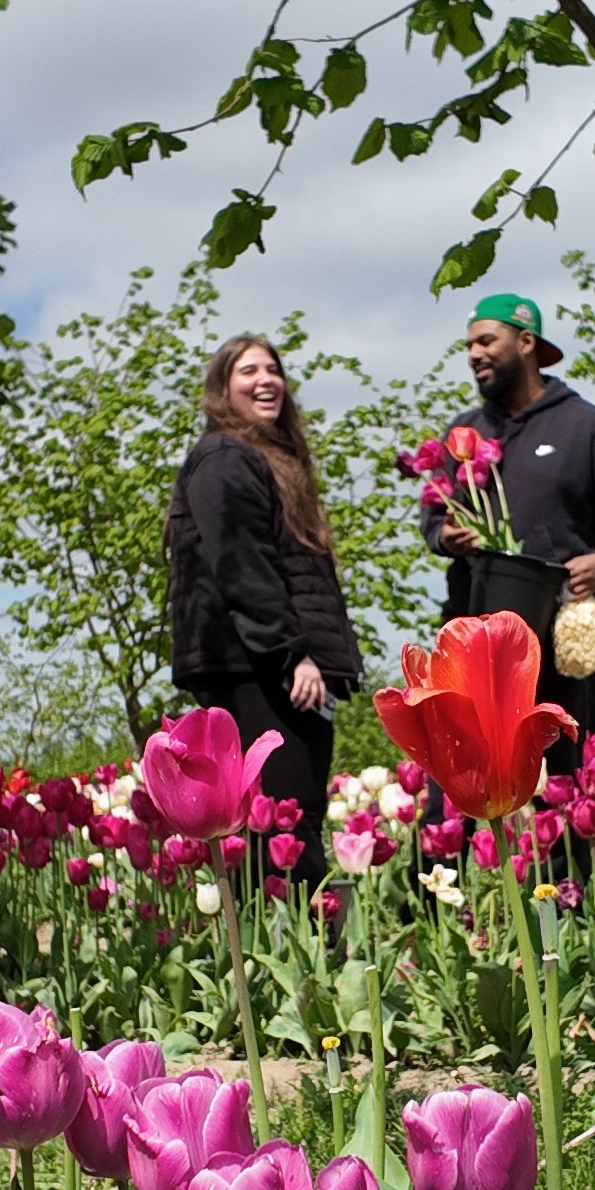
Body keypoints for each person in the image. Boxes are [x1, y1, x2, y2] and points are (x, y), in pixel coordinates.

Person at [421, 291, 595, 770]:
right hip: (473, 632)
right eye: (469, 345)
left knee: (568, 783)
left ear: (526, 341)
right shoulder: (465, 432)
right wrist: (445, 537)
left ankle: (564, 848)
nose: (474, 354)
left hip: (559, 636)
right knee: (458, 780)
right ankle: (447, 849)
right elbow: (431, 516)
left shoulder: (586, 426)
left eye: (487, 341)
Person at [167, 335, 362, 883]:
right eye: (247, 371)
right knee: (280, 825)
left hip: (271, 664)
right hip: (253, 668)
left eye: (272, 369)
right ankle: (299, 950)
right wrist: (291, 654)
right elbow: (241, 563)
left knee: (289, 822)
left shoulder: (269, 459)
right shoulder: (226, 457)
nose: (265, 380)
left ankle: (292, 947)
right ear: (222, 389)